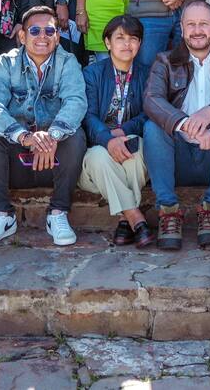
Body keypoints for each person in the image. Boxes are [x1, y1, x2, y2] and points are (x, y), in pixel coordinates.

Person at [0, 6, 89, 248]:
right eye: (35, 31)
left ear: (58, 36)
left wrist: (52, 136)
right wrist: (25, 137)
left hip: (53, 155)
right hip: (17, 151)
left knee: (76, 136)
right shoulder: (6, 63)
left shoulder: (68, 62)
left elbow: (76, 102)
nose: (42, 37)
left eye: (50, 31)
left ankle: (58, 213)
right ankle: (2, 216)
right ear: (22, 36)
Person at [142, 0, 210, 250]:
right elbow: (151, 99)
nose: (197, 30)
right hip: (177, 157)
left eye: (203, 24)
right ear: (181, 27)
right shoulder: (164, 61)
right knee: (152, 128)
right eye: (191, 24)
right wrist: (186, 123)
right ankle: (168, 211)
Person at [78, 14, 153, 247]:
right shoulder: (91, 74)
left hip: (130, 143)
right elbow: (86, 116)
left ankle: (124, 221)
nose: (127, 44)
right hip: (97, 151)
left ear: (140, 44)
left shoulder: (148, 73)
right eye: (120, 38)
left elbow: (151, 112)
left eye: (133, 38)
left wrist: (124, 132)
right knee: (100, 157)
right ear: (108, 43)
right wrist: (108, 139)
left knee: (135, 149)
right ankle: (134, 217)